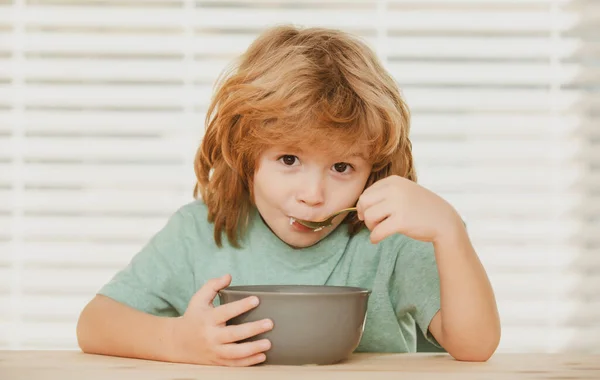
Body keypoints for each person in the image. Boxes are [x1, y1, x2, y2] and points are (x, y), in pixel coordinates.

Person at [76, 25, 501, 367]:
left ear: (375, 171)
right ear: (246, 154)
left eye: (341, 168)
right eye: (289, 159)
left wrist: (449, 231)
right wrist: (177, 341)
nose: (313, 196)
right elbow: (94, 324)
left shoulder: (391, 239)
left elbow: (475, 346)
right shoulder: (198, 231)